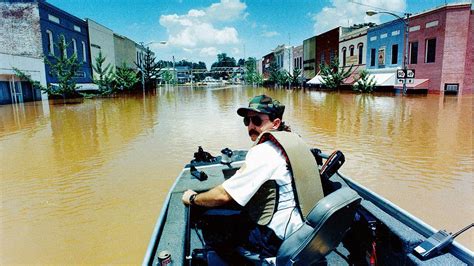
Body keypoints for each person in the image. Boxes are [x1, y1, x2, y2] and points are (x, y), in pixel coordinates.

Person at [182, 95, 305, 261]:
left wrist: (193, 198)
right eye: (247, 121)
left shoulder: (264, 151)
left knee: (211, 223)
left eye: (257, 120)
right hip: (300, 228)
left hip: (273, 239)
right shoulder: (293, 142)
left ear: (275, 123)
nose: (251, 126)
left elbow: (223, 195)